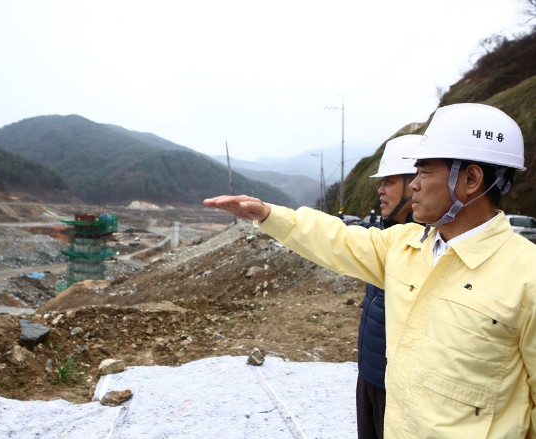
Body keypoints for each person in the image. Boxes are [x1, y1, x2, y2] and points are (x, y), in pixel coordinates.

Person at [204, 103, 535, 439]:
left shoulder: (526, 276)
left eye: (424, 172)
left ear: (471, 179)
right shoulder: (405, 245)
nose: (414, 185)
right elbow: (338, 240)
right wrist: (270, 215)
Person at [357, 135, 420, 439]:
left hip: (398, 390)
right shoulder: (387, 235)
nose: (380, 189)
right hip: (370, 374)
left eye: (390, 181)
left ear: (415, 183)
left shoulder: (431, 247)